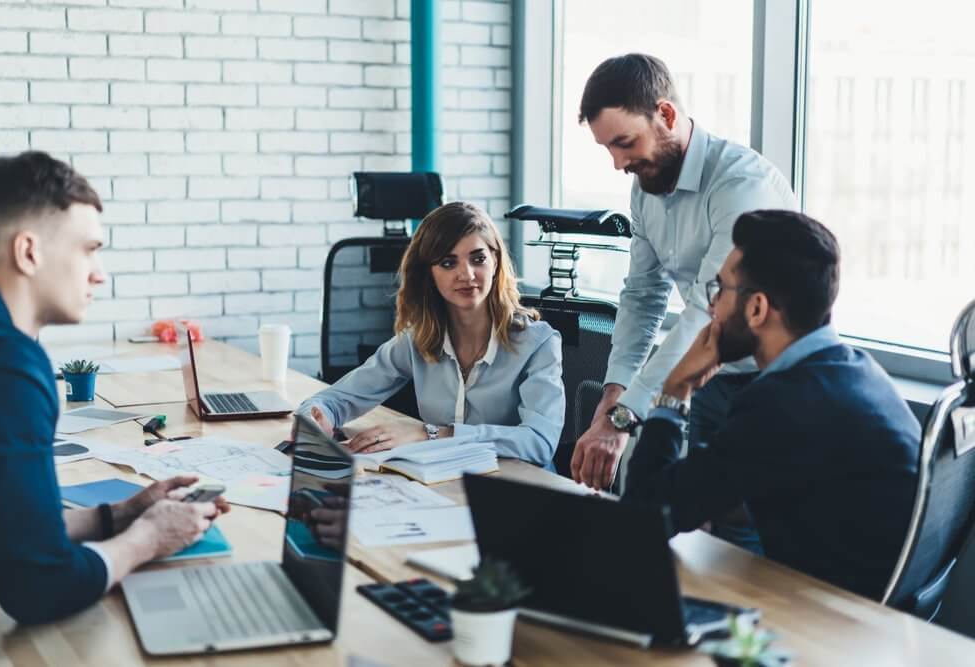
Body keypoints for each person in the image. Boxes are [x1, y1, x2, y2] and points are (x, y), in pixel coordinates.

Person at [0, 152, 229, 624]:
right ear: (28, 252)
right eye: (89, 249)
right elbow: (37, 586)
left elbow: (0, 527)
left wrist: (121, 514)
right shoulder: (4, 362)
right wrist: (147, 538)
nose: (100, 273)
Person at [622, 209, 920, 601]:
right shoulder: (857, 370)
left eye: (720, 290)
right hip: (876, 621)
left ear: (757, 308)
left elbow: (642, 517)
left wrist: (676, 388)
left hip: (830, 631)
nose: (712, 309)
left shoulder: (783, 404)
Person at [571, 54, 799, 512]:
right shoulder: (646, 184)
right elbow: (641, 296)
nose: (618, 163)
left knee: (756, 543)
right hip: (709, 381)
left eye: (625, 143)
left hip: (775, 386)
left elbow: (706, 311)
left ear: (666, 115)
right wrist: (613, 394)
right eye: (607, 149)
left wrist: (622, 419)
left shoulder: (740, 186)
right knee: (707, 528)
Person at [299, 201, 564, 466]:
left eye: (478, 258)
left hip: (521, 490)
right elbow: (334, 399)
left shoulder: (538, 344)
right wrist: (314, 420)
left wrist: (433, 434)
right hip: (446, 484)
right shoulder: (419, 340)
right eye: (448, 263)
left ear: (495, 261)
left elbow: (539, 443)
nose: (467, 274)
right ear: (429, 274)